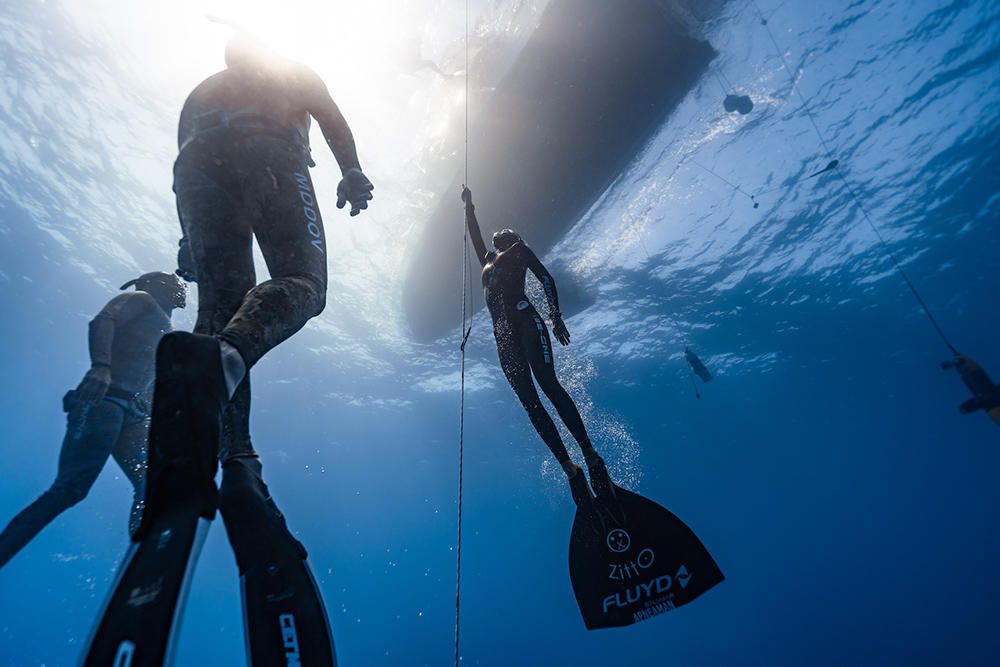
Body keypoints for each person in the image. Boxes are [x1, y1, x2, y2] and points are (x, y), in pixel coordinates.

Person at [82, 36, 372, 666]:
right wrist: (351, 169)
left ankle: (231, 455)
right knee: (303, 285)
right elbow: (330, 115)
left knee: (219, 311)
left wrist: (189, 237)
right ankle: (231, 395)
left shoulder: (198, 93)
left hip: (196, 171)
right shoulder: (291, 71)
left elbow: (186, 160)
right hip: (268, 153)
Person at [0, 272, 184, 570]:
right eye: (174, 283)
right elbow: (103, 320)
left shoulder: (169, 328)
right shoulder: (141, 299)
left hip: (134, 416)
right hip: (105, 400)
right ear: (154, 284)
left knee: (152, 483)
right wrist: (100, 366)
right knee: (70, 489)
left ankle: (139, 562)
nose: (181, 287)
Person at [461, 186, 611, 505]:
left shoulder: (519, 250)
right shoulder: (487, 263)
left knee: (549, 385)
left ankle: (589, 453)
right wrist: (470, 206)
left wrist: (555, 317)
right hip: (504, 340)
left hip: (527, 321)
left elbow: (546, 279)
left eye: (507, 231)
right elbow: (474, 235)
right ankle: (570, 470)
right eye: (498, 233)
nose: (500, 232)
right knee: (531, 403)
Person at [942, 354, 1000, 425]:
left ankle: (960, 363)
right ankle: (960, 363)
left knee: (979, 386)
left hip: (982, 389)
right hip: (985, 392)